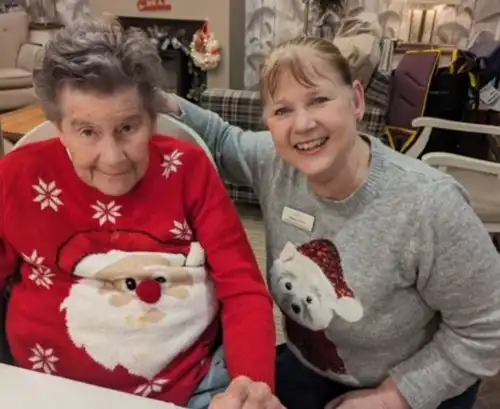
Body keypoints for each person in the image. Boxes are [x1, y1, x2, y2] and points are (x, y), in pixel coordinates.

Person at [161, 36, 500, 409]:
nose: (303, 124)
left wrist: (392, 398)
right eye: (282, 110)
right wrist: (157, 100)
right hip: (312, 367)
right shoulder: (274, 163)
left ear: (357, 100)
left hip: (415, 386)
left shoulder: (429, 204)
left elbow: (488, 329)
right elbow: (220, 138)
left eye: (319, 100)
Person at [0, 16, 278, 409]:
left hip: (193, 388)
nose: (112, 158)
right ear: (59, 127)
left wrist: (251, 387)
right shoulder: (17, 175)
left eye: (128, 128)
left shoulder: (188, 170)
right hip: (46, 390)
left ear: (151, 119)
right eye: (87, 132)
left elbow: (243, 290)